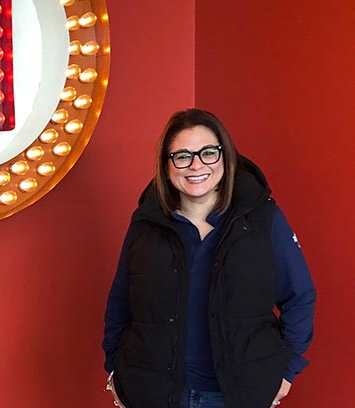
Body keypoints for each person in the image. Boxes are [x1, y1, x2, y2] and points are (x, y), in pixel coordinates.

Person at [102, 108, 316, 408]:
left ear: (225, 158)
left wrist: (287, 369)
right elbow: (120, 302)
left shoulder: (263, 219)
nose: (196, 165)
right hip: (154, 393)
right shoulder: (145, 223)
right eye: (183, 156)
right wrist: (114, 368)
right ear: (167, 166)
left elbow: (300, 296)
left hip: (236, 395)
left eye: (208, 152)